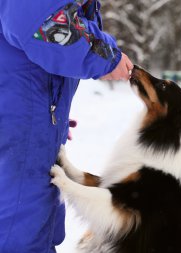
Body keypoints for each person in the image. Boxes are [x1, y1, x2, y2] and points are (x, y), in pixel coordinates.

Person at [0, 0, 133, 252]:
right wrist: (105, 56)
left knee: (33, 211)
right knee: (20, 217)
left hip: (26, 105)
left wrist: (49, 118)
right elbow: (39, 20)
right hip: (19, 106)